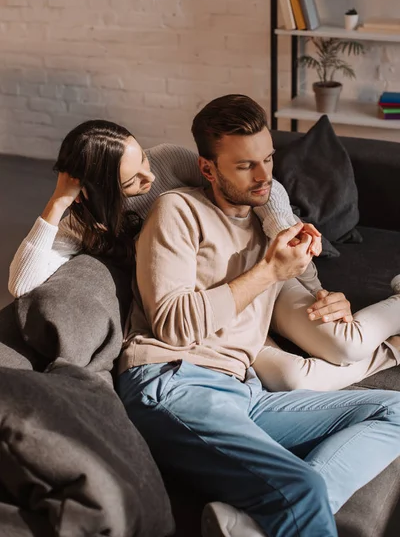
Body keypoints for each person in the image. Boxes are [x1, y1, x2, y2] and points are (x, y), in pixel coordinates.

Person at [117, 94, 400, 537]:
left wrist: (332, 298)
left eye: (268, 159)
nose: (264, 176)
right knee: (300, 486)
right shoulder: (178, 210)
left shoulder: (270, 228)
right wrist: (269, 271)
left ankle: (252, 526)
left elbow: (308, 288)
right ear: (208, 168)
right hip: (171, 381)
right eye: (246, 165)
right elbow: (172, 324)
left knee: (396, 411)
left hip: (244, 392)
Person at [9, 119, 321, 300]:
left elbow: (259, 187)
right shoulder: (83, 225)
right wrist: (59, 202)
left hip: (251, 256)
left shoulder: (168, 158)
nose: (151, 176)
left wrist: (282, 228)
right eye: (133, 180)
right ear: (101, 191)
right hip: (208, 296)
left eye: (142, 158)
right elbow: (21, 285)